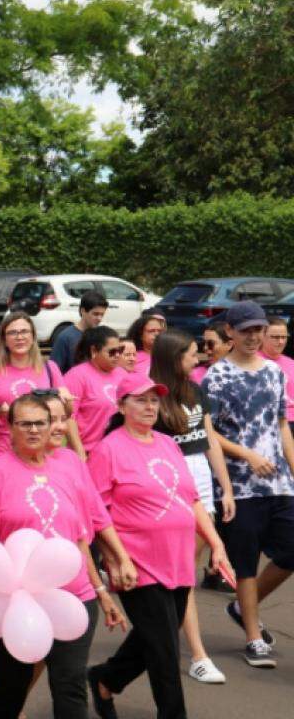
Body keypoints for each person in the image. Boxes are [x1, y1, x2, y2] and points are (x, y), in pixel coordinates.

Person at [0, 393, 134, 719]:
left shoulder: (71, 463)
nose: (33, 430)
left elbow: (83, 533)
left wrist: (106, 584)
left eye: (40, 423)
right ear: (10, 428)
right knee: (12, 682)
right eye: (24, 424)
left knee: (70, 683)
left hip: (72, 597)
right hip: (15, 599)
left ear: (51, 426)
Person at [88, 373, 233, 719]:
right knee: (165, 651)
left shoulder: (168, 443)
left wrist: (215, 544)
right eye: (140, 400)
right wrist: (115, 560)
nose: (150, 406)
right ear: (121, 406)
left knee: (155, 638)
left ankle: (105, 679)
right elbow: (96, 513)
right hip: (137, 564)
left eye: (154, 400)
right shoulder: (108, 449)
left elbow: (192, 499)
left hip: (178, 560)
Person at [201, 300, 294, 668]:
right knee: (245, 563)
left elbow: (282, 426)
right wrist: (247, 455)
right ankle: (254, 638)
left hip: (279, 484)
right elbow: (208, 432)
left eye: (258, 330)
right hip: (240, 486)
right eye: (246, 331)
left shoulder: (275, 373)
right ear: (230, 333)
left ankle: (243, 606)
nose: (254, 337)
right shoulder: (217, 377)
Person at [150, 329, 236, 684]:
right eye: (191, 353)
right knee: (178, 574)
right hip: (170, 487)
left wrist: (225, 488)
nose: (198, 357)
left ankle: (164, 639)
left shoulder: (196, 389)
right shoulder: (152, 396)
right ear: (174, 357)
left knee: (184, 572)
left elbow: (209, 438)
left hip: (202, 482)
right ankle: (196, 654)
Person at [0, 312, 73, 462]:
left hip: (43, 450)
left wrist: (67, 402)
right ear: (4, 339)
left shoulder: (49, 368)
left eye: (24, 331)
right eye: (12, 333)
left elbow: (67, 413)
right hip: (4, 451)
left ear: (33, 336)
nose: (19, 337)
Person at [63, 326, 125, 452]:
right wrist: (80, 453)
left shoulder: (122, 374)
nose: (118, 355)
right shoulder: (76, 376)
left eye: (120, 350)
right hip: (89, 451)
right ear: (94, 351)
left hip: (117, 451)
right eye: (112, 352)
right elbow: (69, 417)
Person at [50, 292, 110, 374]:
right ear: (83, 311)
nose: (99, 318)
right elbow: (54, 371)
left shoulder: (101, 336)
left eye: (102, 315)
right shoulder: (66, 337)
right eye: (95, 314)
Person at [263, 316, 294, 421]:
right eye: (275, 337)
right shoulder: (254, 362)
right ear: (262, 337)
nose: (281, 342)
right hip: (273, 422)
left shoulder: (291, 362)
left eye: (284, 337)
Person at [127, 312, 167, 377]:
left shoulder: (169, 355)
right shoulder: (132, 358)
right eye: (151, 331)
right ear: (140, 335)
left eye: (160, 331)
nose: (157, 334)